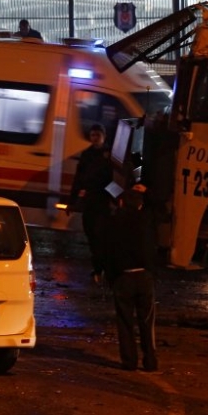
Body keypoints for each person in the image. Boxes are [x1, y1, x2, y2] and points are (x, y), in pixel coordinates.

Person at [102, 184, 158, 372]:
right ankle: (150, 361)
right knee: (146, 321)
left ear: (121, 202)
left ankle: (129, 361)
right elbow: (159, 208)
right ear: (140, 205)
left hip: (123, 277)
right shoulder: (146, 220)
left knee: (125, 321)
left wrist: (109, 276)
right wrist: (147, 192)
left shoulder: (113, 223)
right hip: (143, 275)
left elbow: (107, 252)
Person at [65, 123, 115, 277]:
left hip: (103, 201)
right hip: (90, 201)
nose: (94, 138)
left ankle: (103, 267)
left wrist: (115, 198)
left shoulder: (111, 154)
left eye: (97, 135)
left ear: (103, 136)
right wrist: (72, 202)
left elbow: (115, 178)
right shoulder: (87, 154)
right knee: (91, 235)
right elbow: (78, 180)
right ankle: (98, 268)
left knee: (101, 236)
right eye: (92, 135)